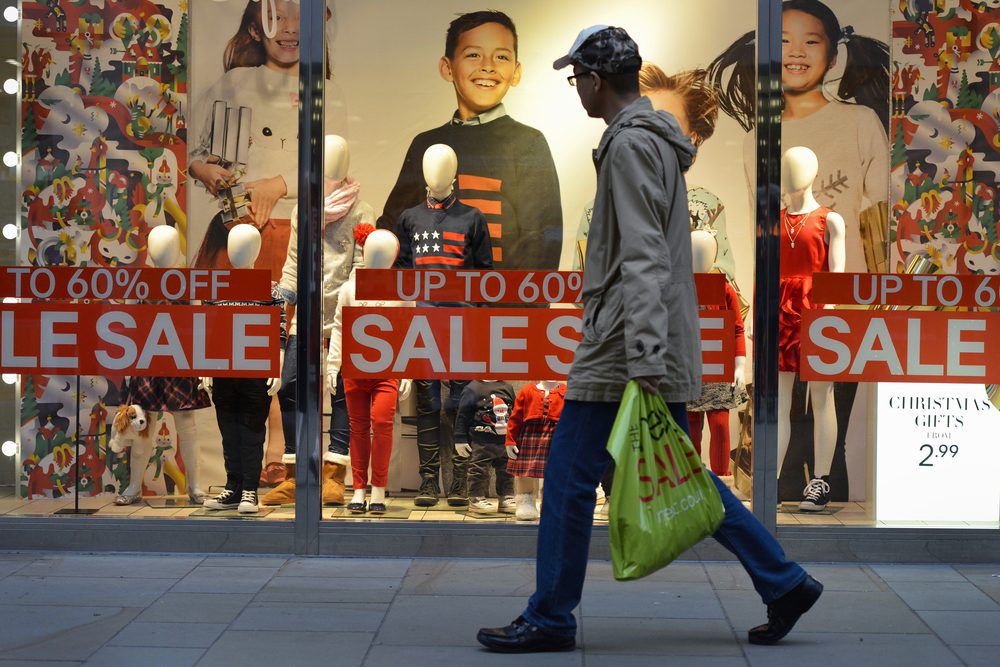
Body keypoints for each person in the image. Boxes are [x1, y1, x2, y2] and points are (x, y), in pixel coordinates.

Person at [476, 26, 823, 654]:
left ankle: (551, 616)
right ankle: (784, 580)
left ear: (596, 78)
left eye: (576, 77)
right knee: (677, 472)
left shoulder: (631, 146)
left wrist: (642, 358)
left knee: (569, 476)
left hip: (622, 341)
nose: (576, 89)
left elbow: (641, 257)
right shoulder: (651, 141)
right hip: (633, 334)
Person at [708, 0, 889, 273]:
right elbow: (760, 232)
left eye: (811, 42)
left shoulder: (860, 122)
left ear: (833, 56)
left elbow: (886, 215)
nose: (796, 53)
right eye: (783, 41)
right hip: (782, 297)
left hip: (847, 295)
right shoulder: (758, 139)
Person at [376, 10, 562, 271]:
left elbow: (541, 239)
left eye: (501, 56)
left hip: (502, 306)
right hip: (431, 303)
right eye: (473, 54)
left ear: (516, 71)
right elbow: (394, 230)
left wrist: (524, 308)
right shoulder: (425, 144)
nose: (488, 65)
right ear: (447, 67)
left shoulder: (528, 143)